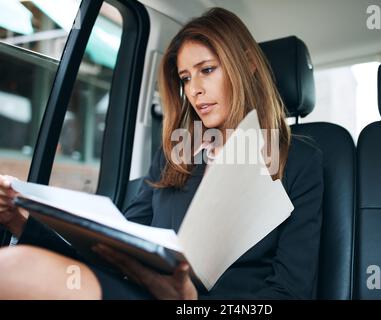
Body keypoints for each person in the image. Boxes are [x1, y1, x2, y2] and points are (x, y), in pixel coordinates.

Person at [0, 7, 323, 300]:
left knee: (17, 268)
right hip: (138, 293)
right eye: (185, 77)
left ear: (248, 64)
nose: (194, 89)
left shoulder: (299, 162)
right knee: (14, 267)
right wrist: (25, 225)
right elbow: (113, 255)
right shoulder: (176, 156)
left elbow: (290, 292)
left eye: (207, 70)